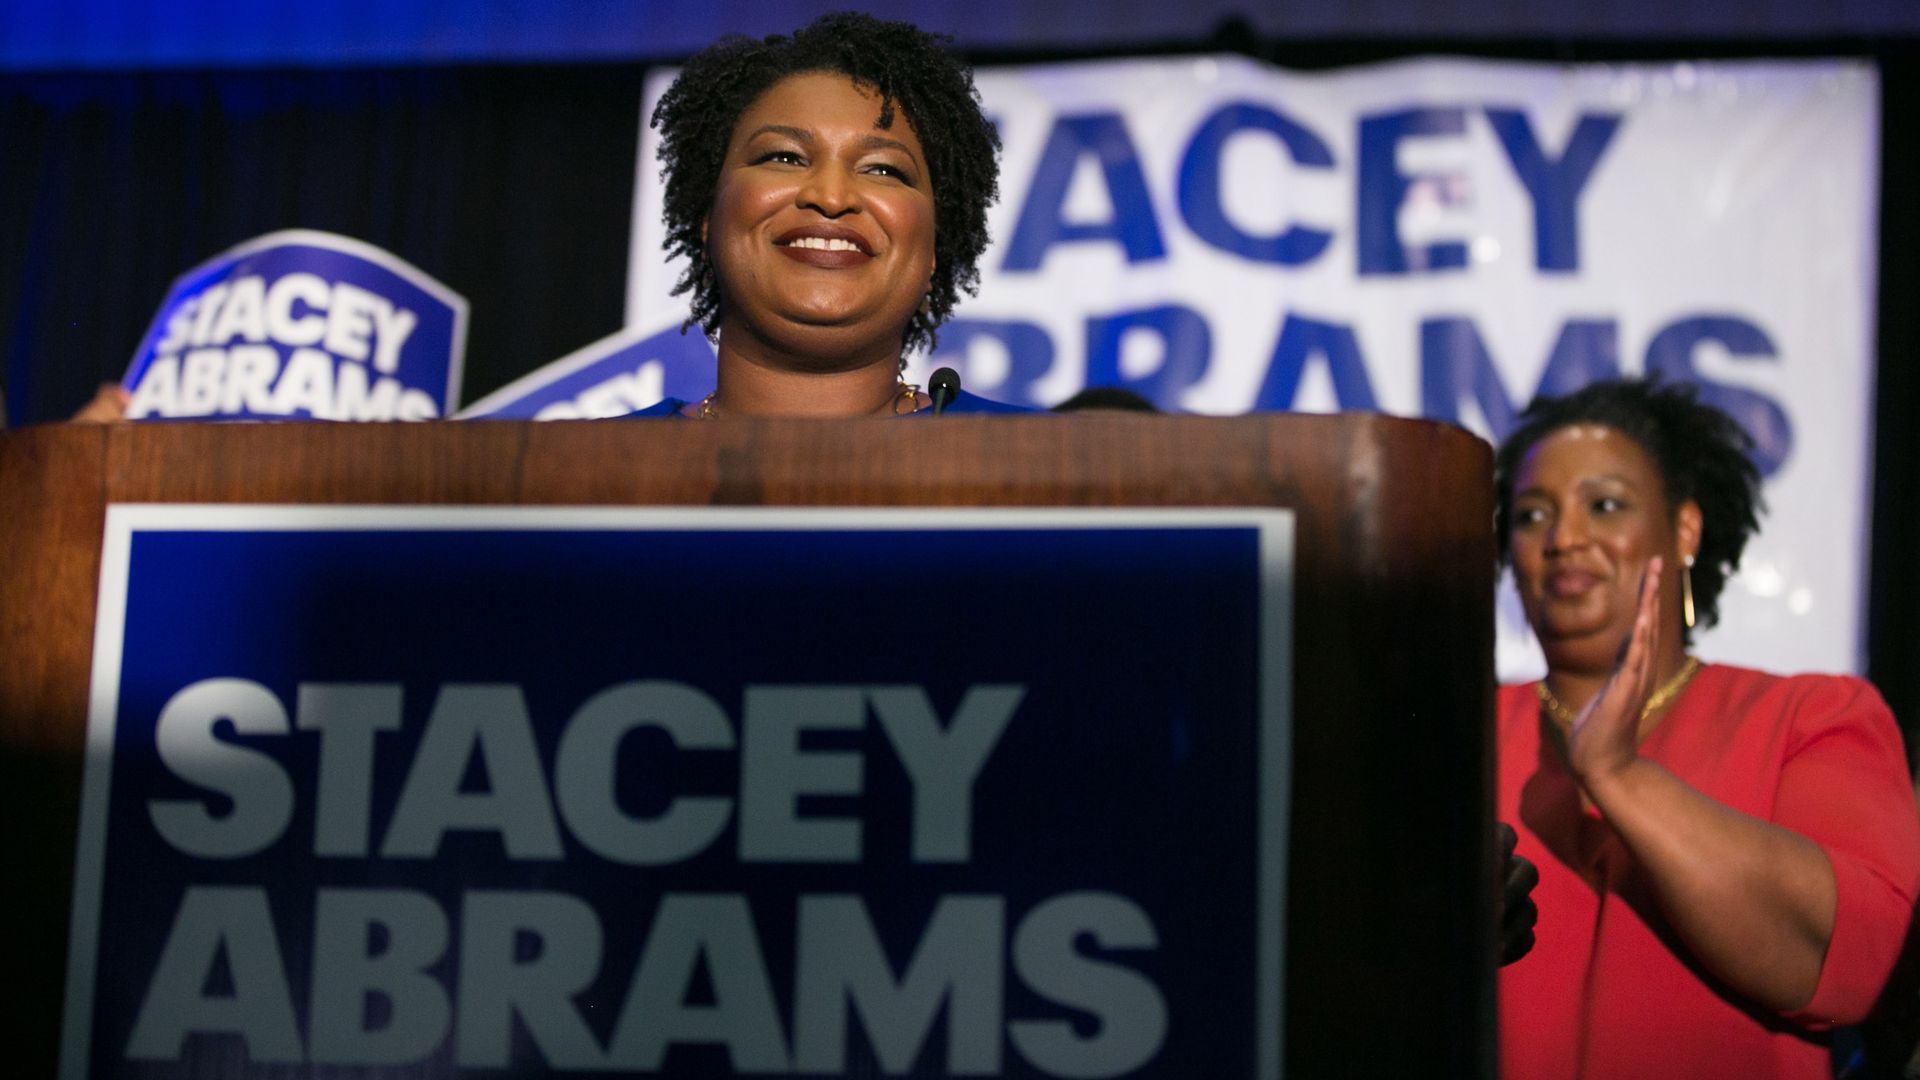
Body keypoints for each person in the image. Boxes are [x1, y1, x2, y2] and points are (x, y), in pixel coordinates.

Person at [1493, 378, 1920, 1079]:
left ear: (1684, 528)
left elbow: (1854, 966)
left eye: (1605, 505)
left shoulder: (1812, 716)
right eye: (1533, 515)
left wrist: (1620, 776)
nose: (1564, 539)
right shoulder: (1456, 730)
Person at [625, 13, 1028, 418]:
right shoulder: (592, 454)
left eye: (882, 170)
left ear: (934, 248)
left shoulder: (1040, 449)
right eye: (785, 157)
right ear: (708, 220)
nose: (831, 197)